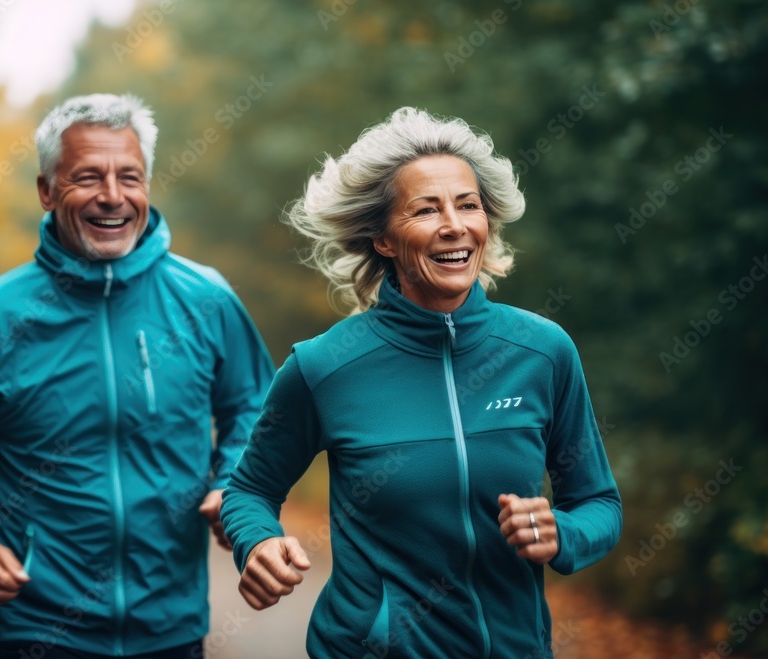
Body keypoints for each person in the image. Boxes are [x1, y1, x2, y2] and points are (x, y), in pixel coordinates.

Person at [220, 107, 622, 658]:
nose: (455, 225)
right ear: (383, 239)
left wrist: (563, 533)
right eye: (426, 210)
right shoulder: (324, 365)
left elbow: (599, 502)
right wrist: (257, 543)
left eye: (469, 205)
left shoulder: (543, 352)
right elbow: (250, 490)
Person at [0, 93, 275, 659]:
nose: (113, 197)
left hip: (171, 627)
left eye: (130, 176)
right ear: (46, 189)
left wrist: (231, 483)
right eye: (87, 177)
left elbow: (256, 411)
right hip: (36, 630)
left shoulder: (207, 299)